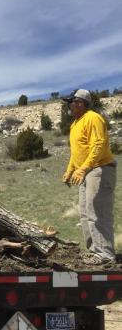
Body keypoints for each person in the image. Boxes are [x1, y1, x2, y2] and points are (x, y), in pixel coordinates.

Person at [61, 89, 117, 263]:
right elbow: (76, 152)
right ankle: (94, 252)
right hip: (85, 172)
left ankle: (105, 255)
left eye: (72, 102)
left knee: (97, 213)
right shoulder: (75, 124)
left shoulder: (92, 117)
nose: (69, 106)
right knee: (85, 213)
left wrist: (83, 168)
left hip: (99, 170)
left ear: (80, 102)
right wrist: (70, 170)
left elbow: (98, 145)